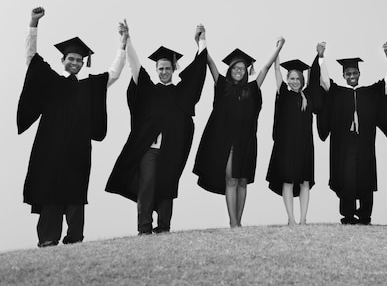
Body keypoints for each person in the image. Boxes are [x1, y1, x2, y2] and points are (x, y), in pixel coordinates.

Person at [18, 7, 126, 247]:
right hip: (50, 148)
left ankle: (75, 238)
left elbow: (115, 73)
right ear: (63, 60)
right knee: (50, 191)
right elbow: (31, 58)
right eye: (71, 59)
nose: (75, 62)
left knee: (76, 193)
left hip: (77, 150)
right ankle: (48, 238)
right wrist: (33, 24)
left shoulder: (89, 87)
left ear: (83, 62)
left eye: (79, 60)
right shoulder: (51, 82)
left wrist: (122, 44)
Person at [105, 22, 208, 235]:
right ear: (156, 69)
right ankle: (144, 229)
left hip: (171, 150)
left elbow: (198, 73)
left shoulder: (181, 93)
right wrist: (128, 40)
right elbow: (135, 67)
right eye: (160, 68)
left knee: (167, 187)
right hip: (149, 150)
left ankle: (164, 227)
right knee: (146, 187)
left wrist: (201, 42)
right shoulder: (149, 91)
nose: (164, 72)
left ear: (173, 69)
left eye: (167, 68)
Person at [194, 38, 285, 227]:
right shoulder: (222, 85)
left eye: (242, 69)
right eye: (235, 68)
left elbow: (266, 68)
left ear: (246, 71)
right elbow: (210, 62)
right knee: (231, 179)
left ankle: (239, 222)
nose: (238, 71)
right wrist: (201, 41)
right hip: (228, 141)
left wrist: (278, 47)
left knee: (243, 181)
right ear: (230, 69)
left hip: (247, 141)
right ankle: (233, 222)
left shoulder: (252, 88)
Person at [311, 41, 387, 225]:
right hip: (344, 143)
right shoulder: (337, 93)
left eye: (354, 73)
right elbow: (324, 80)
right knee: (346, 177)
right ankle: (348, 216)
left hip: (364, 142)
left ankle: (365, 216)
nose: (351, 76)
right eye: (348, 73)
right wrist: (321, 57)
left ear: (359, 74)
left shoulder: (369, 93)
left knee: (366, 177)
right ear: (343, 75)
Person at [266, 55, 324, 226]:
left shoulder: (308, 97)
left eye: (298, 78)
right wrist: (278, 52)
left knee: (305, 181)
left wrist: (319, 56)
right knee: (288, 180)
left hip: (305, 144)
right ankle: (291, 218)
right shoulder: (283, 93)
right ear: (287, 79)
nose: (295, 81)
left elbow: (315, 79)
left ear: (302, 79)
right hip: (286, 145)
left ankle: (303, 219)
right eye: (291, 78)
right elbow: (276, 70)